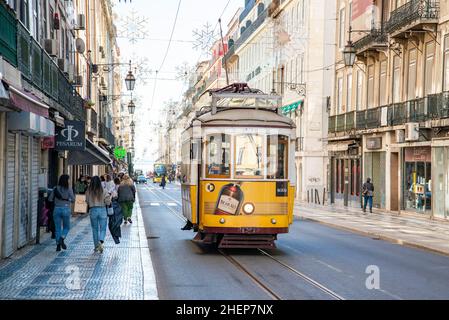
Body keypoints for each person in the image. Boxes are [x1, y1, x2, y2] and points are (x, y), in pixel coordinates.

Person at [48, 174, 75, 251]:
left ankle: (58, 245)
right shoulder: (69, 189)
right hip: (66, 209)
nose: (69, 181)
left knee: (57, 228)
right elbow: (73, 200)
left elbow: (50, 199)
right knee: (66, 227)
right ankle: (62, 238)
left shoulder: (55, 188)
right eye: (69, 179)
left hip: (56, 209)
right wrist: (68, 200)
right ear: (67, 180)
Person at [86, 176, 112, 253]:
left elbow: (87, 201)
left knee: (94, 229)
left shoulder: (88, 191)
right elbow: (107, 202)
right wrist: (109, 199)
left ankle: (96, 246)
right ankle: (101, 241)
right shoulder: (103, 190)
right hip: (102, 210)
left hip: (93, 210)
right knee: (103, 228)